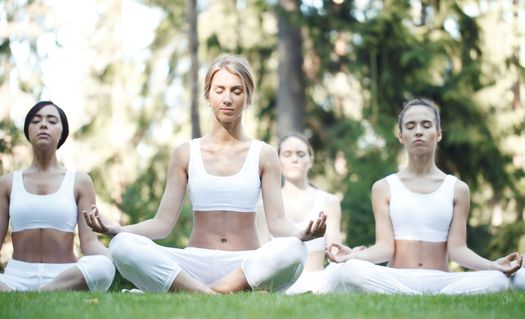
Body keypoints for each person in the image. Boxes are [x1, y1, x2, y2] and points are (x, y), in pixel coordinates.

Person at [84, 55, 326, 294]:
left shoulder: (264, 154)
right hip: (193, 264)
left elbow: (277, 223)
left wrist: (300, 233)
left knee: (295, 248)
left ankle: (204, 291)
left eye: (237, 91)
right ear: (208, 95)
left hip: (243, 265)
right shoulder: (185, 153)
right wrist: (119, 229)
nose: (227, 98)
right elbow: (162, 224)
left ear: (248, 97)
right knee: (122, 246)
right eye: (219, 90)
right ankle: (211, 292)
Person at [325, 98, 522, 295]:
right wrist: (352, 256)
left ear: (438, 134)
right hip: (397, 277)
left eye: (426, 125)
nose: (418, 131)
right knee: (350, 269)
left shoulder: (457, 189)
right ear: (401, 136)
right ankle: (420, 297)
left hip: (440, 279)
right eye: (410, 126)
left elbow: (458, 250)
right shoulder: (384, 187)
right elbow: (384, 248)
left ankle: (424, 296)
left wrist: (492, 265)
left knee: (497, 280)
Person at [0, 101, 115, 291]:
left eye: (52, 121)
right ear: (28, 130)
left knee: (103, 266)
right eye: (36, 120)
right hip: (15, 278)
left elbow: (89, 244)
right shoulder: (7, 183)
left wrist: (120, 259)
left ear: (63, 132)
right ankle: (36, 293)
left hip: (65, 276)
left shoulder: (80, 181)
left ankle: (43, 292)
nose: (43, 124)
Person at [256, 133, 342, 294]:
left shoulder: (329, 202)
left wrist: (349, 256)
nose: (294, 159)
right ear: (278, 161)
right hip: (279, 285)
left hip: (319, 281)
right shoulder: (263, 206)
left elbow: (334, 249)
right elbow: (261, 253)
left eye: (300, 154)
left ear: (310, 159)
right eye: (287, 154)